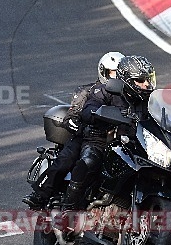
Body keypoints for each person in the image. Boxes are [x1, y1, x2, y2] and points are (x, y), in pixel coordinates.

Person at [23, 51, 125, 209]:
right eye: (113, 73)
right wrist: (81, 128)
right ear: (103, 72)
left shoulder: (127, 95)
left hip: (117, 140)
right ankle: (41, 194)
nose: (117, 77)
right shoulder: (88, 91)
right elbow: (71, 116)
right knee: (66, 160)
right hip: (87, 136)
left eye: (120, 74)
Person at [60, 55, 156, 212]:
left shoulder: (150, 100)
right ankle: (69, 208)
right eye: (141, 80)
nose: (147, 84)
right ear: (128, 80)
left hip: (132, 144)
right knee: (88, 162)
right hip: (101, 138)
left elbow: (162, 117)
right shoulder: (107, 91)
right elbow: (89, 108)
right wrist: (97, 112)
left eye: (148, 79)